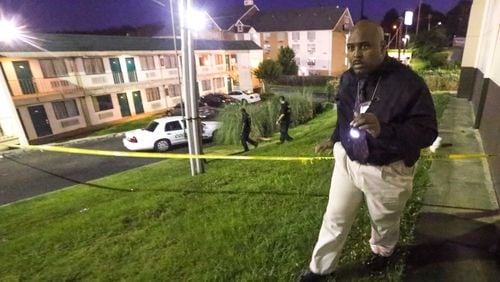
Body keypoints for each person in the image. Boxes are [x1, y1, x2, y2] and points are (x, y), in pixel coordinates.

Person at [300, 20, 437, 281]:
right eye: (351, 47)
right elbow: (343, 113)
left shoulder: (408, 83)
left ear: (383, 47)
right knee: (335, 217)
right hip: (348, 159)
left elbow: (427, 130)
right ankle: (321, 269)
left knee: (384, 222)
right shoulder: (349, 78)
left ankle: (383, 251)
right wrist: (334, 138)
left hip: (387, 168)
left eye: (364, 46)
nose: (356, 54)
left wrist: (384, 129)